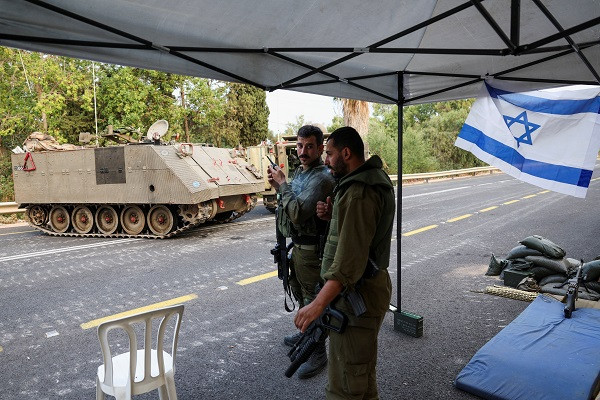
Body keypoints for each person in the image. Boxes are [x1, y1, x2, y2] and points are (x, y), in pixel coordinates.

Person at [294, 126, 395, 399]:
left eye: (329, 154)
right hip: (361, 291)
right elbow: (358, 236)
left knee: (346, 387)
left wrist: (317, 304)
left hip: (356, 295)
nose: (325, 161)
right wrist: (332, 219)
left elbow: (349, 263)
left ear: (346, 153)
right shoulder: (366, 181)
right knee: (360, 375)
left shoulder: (359, 192)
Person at [267, 124, 335, 379]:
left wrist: (283, 186)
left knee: (311, 298)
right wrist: (279, 186)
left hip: (311, 249)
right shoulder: (302, 172)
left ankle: (318, 354)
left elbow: (296, 212)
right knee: (298, 290)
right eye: (299, 145)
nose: (303, 151)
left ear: (319, 148)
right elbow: (290, 201)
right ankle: (306, 333)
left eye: (309, 146)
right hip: (298, 246)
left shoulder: (322, 178)